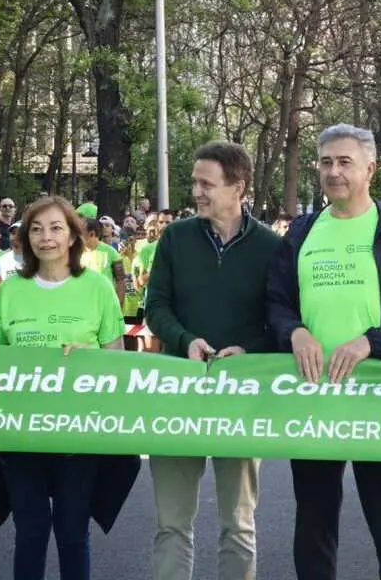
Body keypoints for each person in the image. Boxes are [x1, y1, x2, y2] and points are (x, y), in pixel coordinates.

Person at [266, 124, 381, 580]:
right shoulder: (304, 231)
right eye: (326, 162)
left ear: (370, 169)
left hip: (379, 395)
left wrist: (371, 342)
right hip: (314, 394)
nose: (334, 171)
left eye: (344, 162)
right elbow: (276, 300)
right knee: (313, 521)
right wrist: (295, 332)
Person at [0, 196, 127, 580]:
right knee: (31, 532)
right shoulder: (11, 291)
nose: (46, 238)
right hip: (21, 433)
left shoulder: (97, 288)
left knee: (72, 534)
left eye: (56, 228)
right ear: (25, 239)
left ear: (75, 236)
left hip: (79, 432)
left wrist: (89, 358)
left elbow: (117, 361)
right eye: (37, 229)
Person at [145, 142, 280, 580]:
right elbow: (157, 307)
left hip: (241, 400)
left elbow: (280, 320)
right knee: (171, 526)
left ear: (237, 187)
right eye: (195, 182)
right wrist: (185, 340)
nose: (196, 192)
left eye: (207, 183)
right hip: (178, 395)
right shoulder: (175, 238)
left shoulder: (272, 248)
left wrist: (250, 352)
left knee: (238, 526)